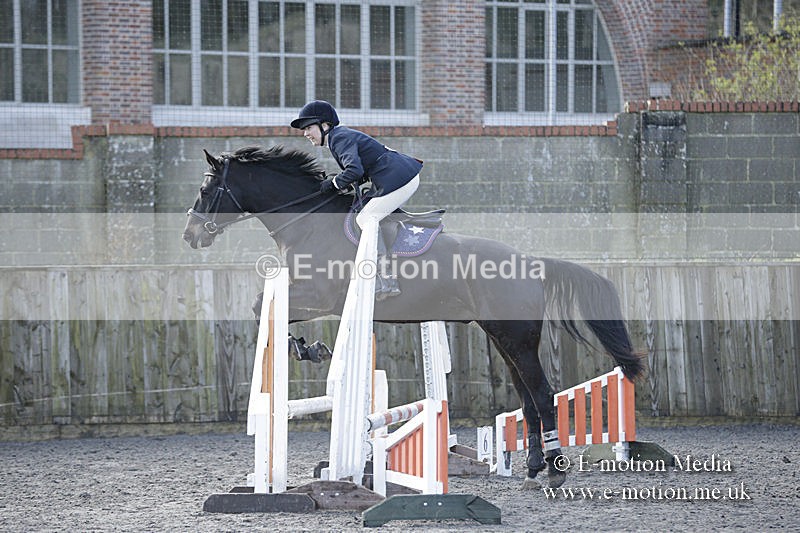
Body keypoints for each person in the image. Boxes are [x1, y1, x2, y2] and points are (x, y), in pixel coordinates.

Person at [291, 100, 422, 300]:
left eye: (308, 127)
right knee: (363, 212)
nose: (305, 133)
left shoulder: (339, 138)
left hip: (400, 177)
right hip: (393, 175)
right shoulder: (338, 137)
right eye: (304, 129)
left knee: (366, 218)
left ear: (324, 125)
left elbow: (354, 170)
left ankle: (385, 277)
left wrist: (334, 184)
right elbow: (359, 171)